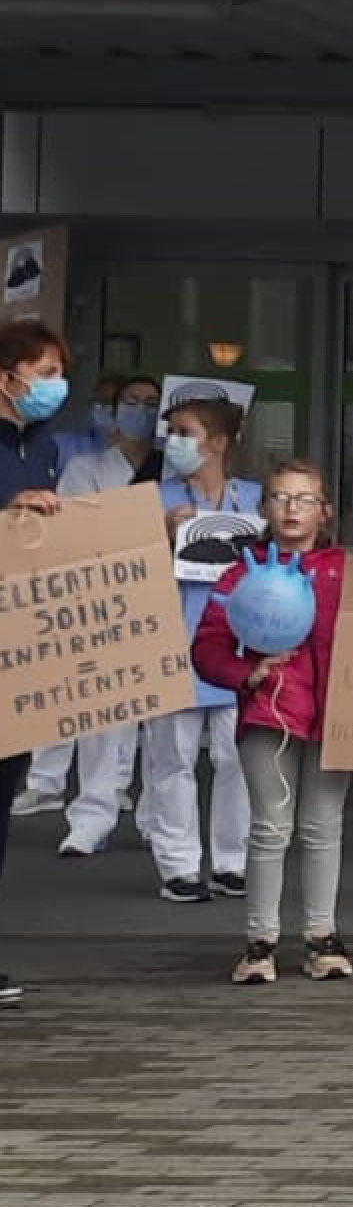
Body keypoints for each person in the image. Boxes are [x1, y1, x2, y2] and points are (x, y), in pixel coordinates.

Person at [193, 462, 353, 984]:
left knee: (322, 826)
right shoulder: (241, 573)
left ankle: (321, 937)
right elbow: (208, 646)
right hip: (270, 713)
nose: (291, 508)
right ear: (263, 508)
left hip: (336, 715)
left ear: (325, 511)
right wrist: (248, 672)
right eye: (281, 497)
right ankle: (260, 943)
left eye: (305, 499)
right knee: (270, 827)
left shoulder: (346, 571)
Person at [136, 395, 260, 904]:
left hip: (238, 645)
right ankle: (178, 867)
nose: (176, 443)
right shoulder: (152, 498)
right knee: (172, 760)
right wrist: (159, 534)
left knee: (236, 759)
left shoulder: (253, 499)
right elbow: (122, 567)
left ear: (220, 442)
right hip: (170, 642)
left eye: (186, 432)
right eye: (173, 433)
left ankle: (232, 862)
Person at [34, 375, 158, 838]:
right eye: (131, 401)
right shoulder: (86, 469)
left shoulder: (172, 471)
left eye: (150, 403)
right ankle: (92, 816)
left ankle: (153, 818)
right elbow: (68, 532)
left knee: (161, 723)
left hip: (159, 598)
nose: (140, 411)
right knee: (104, 714)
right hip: (101, 599)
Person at [0, 318, 71, 1008]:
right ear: (7, 376)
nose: (53, 385)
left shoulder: (42, 446)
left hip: (16, 654)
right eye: (44, 372)